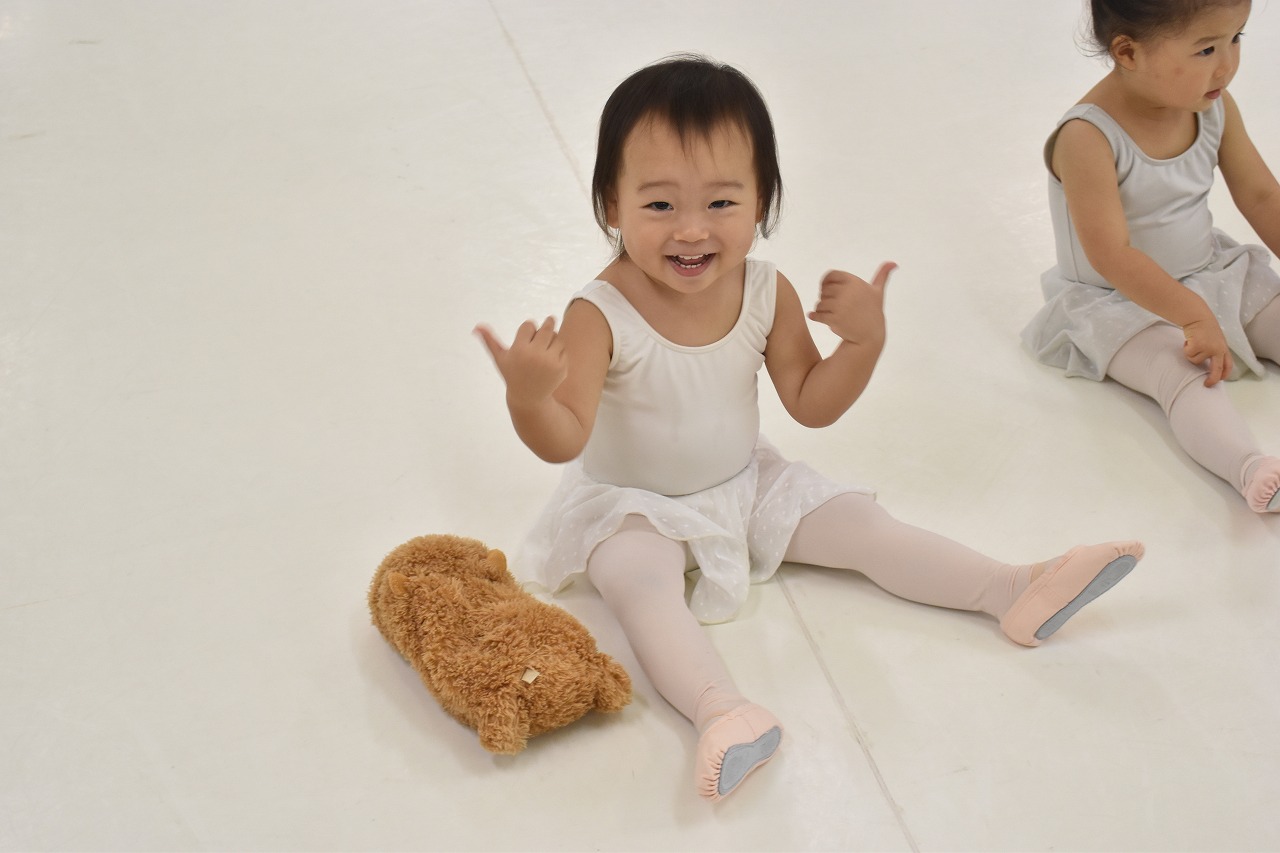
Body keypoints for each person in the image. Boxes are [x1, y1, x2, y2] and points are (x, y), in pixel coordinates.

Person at [476, 55, 1143, 802]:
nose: (692, 229)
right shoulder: (599, 313)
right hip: (632, 504)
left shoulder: (766, 289)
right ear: (611, 204)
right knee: (641, 589)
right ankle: (720, 710)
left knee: (864, 526)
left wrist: (861, 344)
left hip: (746, 479)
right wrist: (530, 398)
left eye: (722, 202)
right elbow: (565, 440)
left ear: (762, 200)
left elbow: (810, 402)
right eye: (659, 205)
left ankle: (1010, 588)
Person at [1023, 0, 1280, 513]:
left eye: (1236, 39)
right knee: (1183, 373)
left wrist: (1201, 304)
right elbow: (1111, 254)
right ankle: (1248, 466)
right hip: (1117, 302)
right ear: (1128, 52)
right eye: (1206, 49)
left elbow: (1260, 196)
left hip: (1209, 271)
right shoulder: (1087, 137)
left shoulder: (1213, 106)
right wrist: (1192, 316)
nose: (1227, 65)